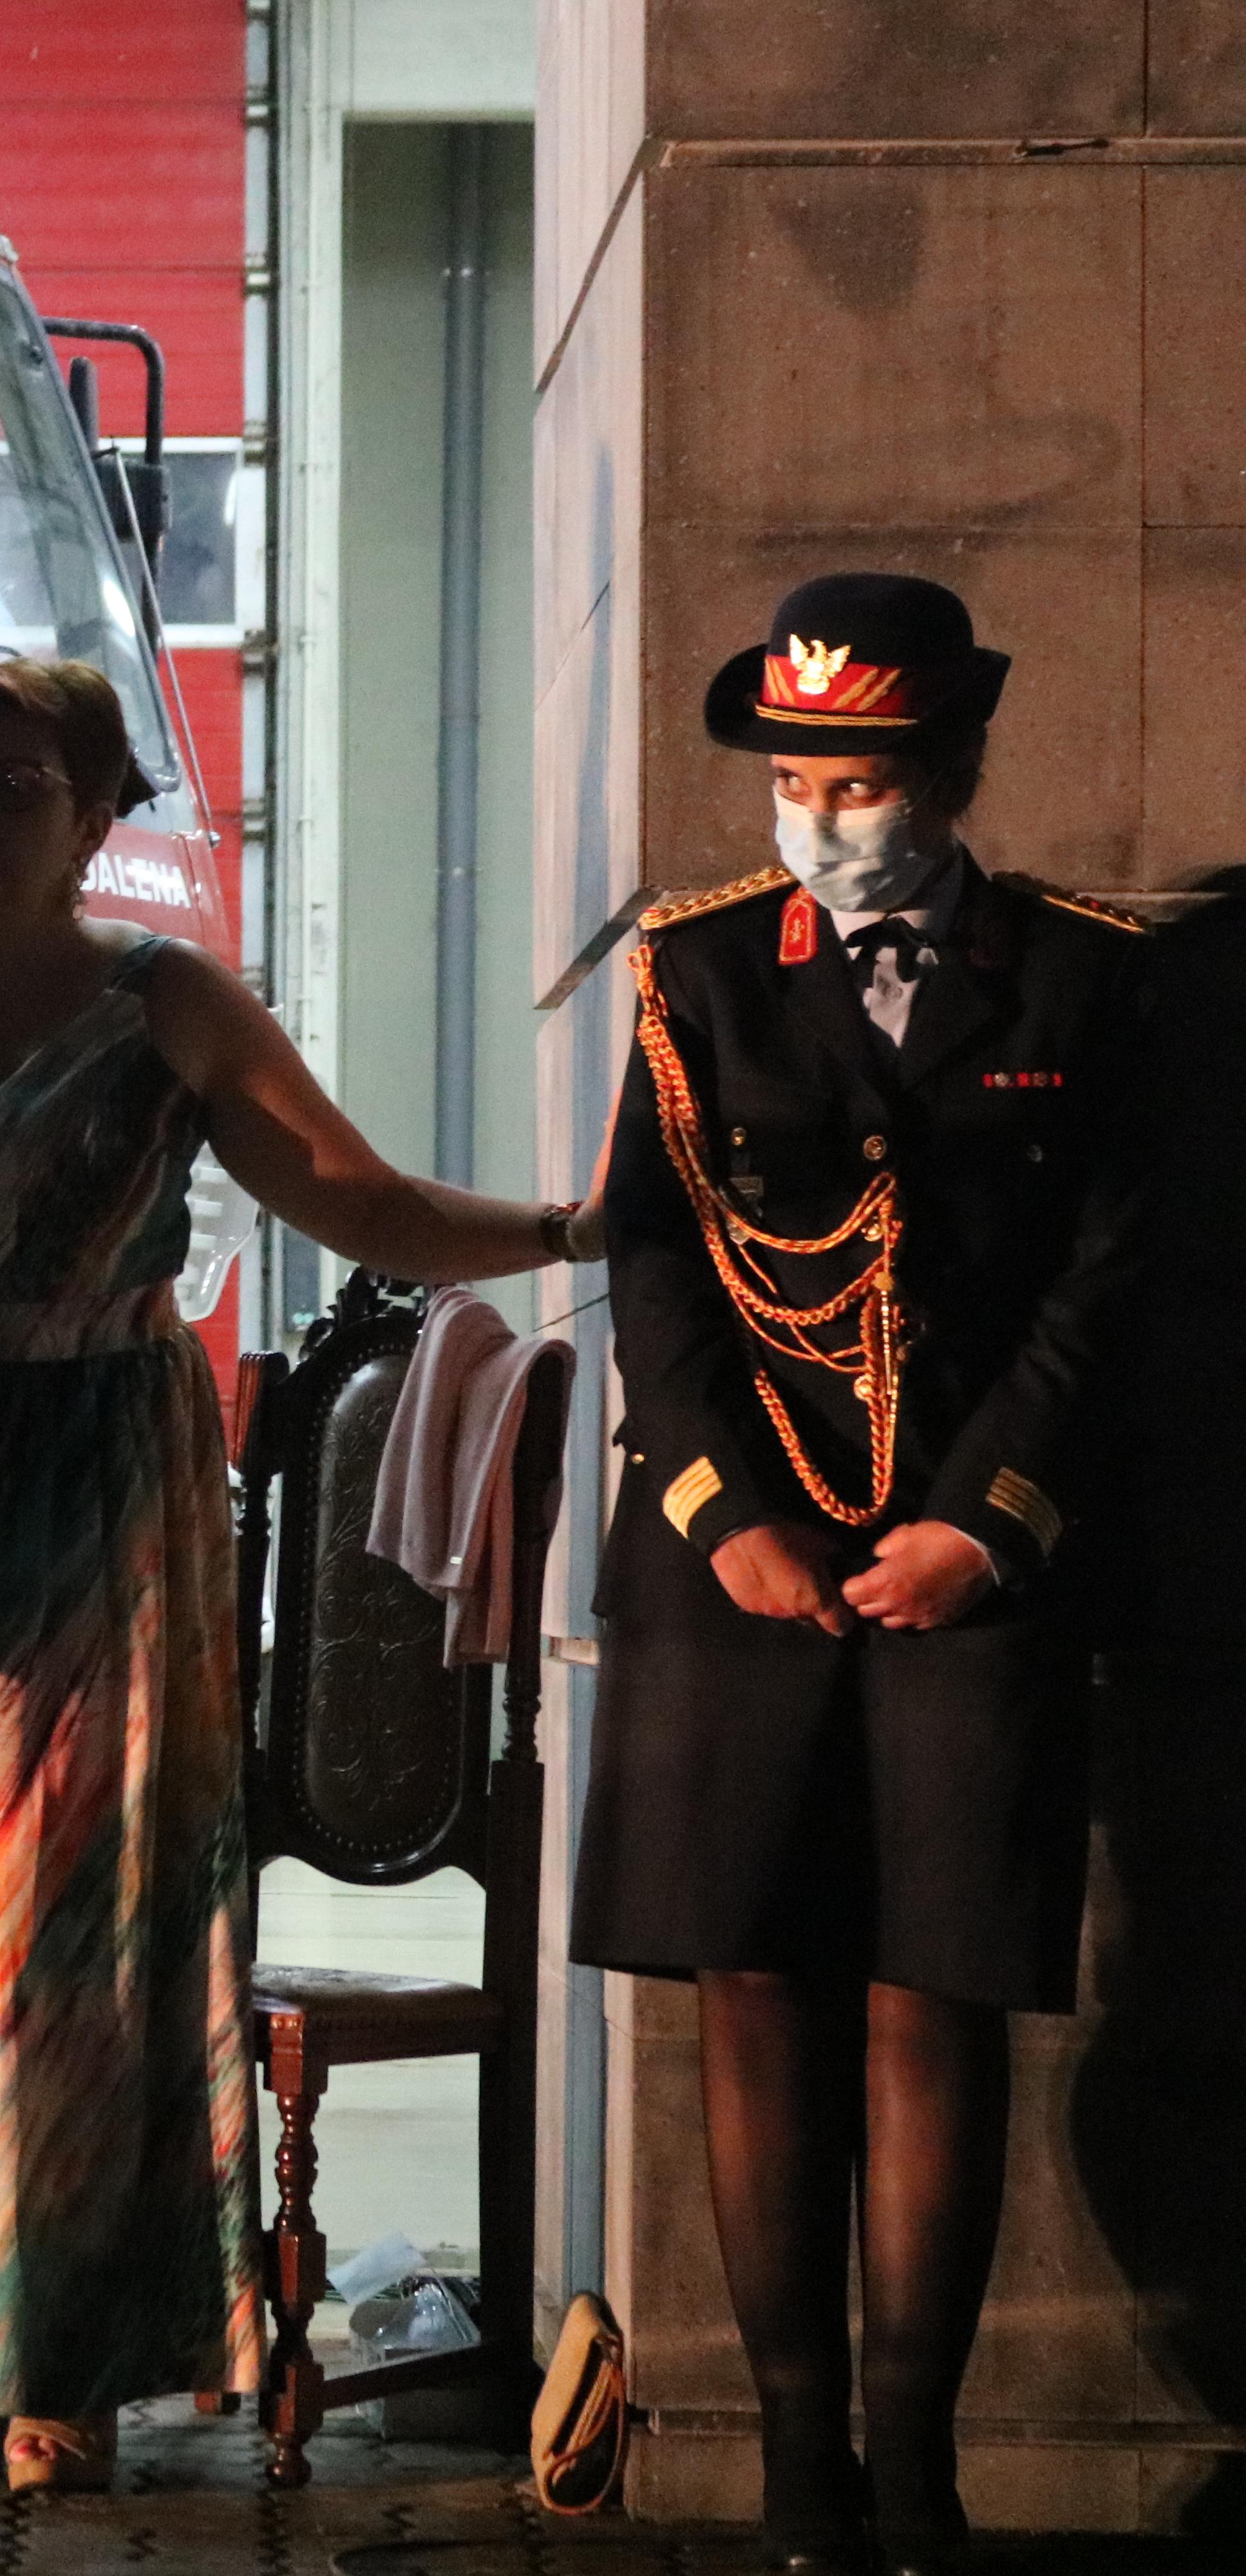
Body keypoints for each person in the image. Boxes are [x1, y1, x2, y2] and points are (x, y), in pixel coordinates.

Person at [0, 656, 596, 2492]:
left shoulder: (162, 999)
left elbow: (357, 1199)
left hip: (99, 1493)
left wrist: (578, 1228)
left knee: (71, 1936)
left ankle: (68, 2365)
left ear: (99, 812)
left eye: (12, 782)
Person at [568, 575, 1142, 2576]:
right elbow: (648, 1258)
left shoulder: (1085, 975)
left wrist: (987, 1527)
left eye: (869, 775)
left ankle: (918, 2470)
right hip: (738, 1565)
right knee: (755, 1983)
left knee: (932, 1998)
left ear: (958, 770)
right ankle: (797, 2466)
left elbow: (1114, 1285)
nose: (827, 812)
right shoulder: (703, 970)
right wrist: (728, 1513)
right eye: (801, 774)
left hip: (969, 1560)